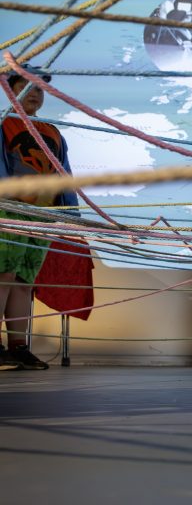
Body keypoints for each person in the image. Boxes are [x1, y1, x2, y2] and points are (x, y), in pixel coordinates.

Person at [0, 68, 79, 371]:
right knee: (3, 276)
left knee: (23, 281)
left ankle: (18, 347)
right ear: (10, 91)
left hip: (43, 216)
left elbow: (64, 174)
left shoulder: (52, 132)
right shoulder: (3, 124)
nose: (34, 93)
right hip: (9, 211)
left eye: (39, 89)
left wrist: (70, 212)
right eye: (26, 86)